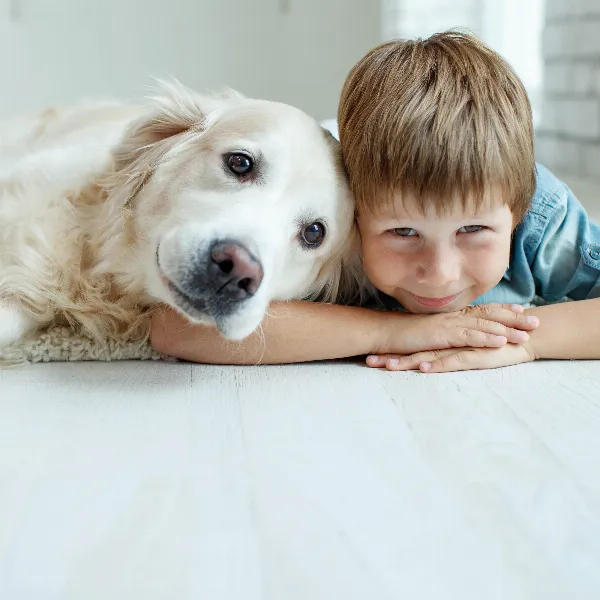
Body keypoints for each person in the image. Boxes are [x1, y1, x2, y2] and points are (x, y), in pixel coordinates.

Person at [150, 31, 600, 373]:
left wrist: (528, 343)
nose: (439, 272)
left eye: (472, 231)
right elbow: (173, 331)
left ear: (516, 213)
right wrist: (399, 332)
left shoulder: (540, 212)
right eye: (403, 233)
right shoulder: (332, 220)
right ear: (357, 220)